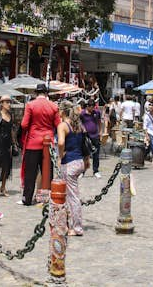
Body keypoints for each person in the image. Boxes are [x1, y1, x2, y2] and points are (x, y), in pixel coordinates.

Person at [19, 83, 61, 206]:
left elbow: (24, 124)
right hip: (48, 142)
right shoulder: (53, 106)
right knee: (47, 172)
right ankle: (47, 198)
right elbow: (58, 124)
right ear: (46, 93)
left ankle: (27, 198)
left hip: (33, 142)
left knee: (30, 173)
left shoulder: (30, 105)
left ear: (36, 93)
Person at [57, 101, 88, 236]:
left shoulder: (63, 125)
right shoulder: (78, 125)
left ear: (63, 112)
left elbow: (61, 142)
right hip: (79, 161)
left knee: (72, 197)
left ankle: (77, 227)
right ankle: (67, 223)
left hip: (69, 163)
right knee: (70, 195)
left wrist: (60, 155)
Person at [0, 95, 15, 197]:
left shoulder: (11, 115)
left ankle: (3, 187)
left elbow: (12, 130)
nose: (9, 104)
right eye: (7, 102)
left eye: (10, 102)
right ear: (1, 104)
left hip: (7, 144)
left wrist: (14, 143)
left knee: (6, 166)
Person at [79, 99, 102, 178]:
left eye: (93, 107)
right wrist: (83, 128)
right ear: (87, 106)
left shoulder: (96, 112)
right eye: (91, 107)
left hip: (95, 135)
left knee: (96, 154)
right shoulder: (82, 114)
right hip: (86, 136)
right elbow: (79, 122)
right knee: (85, 154)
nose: (92, 109)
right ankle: (82, 171)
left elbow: (99, 122)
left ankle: (96, 170)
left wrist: (100, 131)